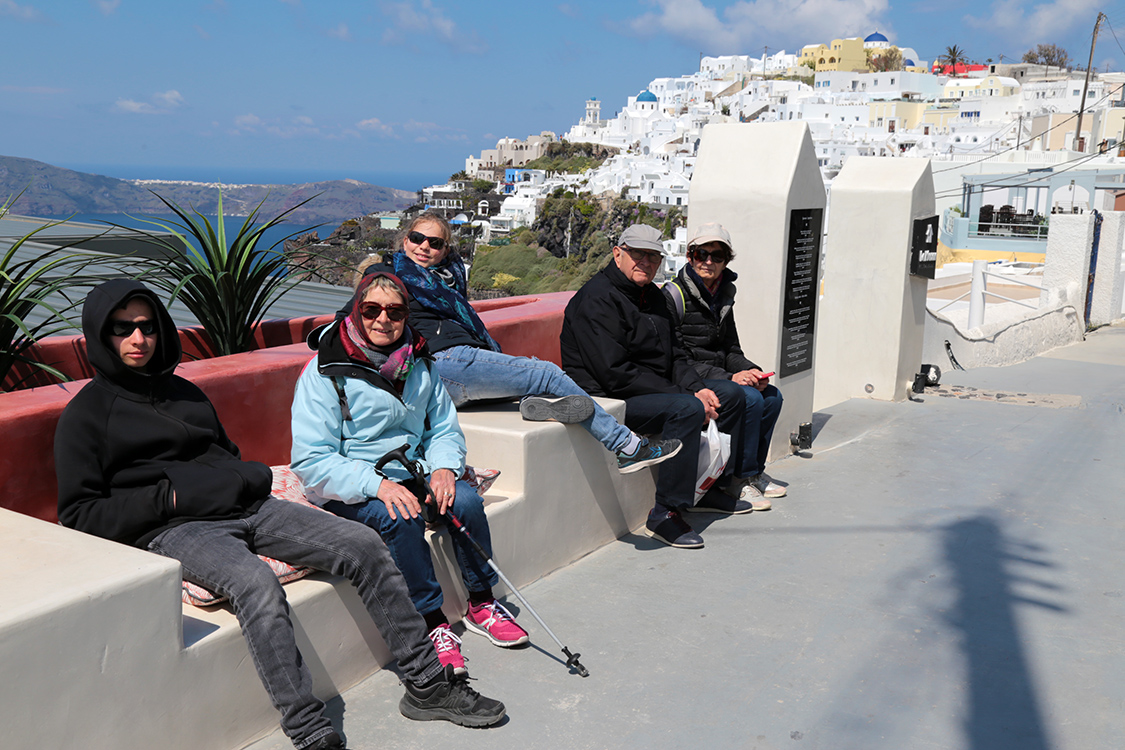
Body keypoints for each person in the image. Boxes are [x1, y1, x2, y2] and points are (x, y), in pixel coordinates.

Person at [54, 279, 505, 750]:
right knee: (256, 585)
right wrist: (170, 499)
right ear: (99, 336)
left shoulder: (185, 394)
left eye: (146, 327)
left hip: (249, 506)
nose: (137, 339)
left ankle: (428, 685)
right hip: (177, 528)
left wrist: (244, 478)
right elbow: (81, 512)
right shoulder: (86, 416)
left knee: (363, 545)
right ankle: (309, 729)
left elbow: (222, 456)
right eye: (121, 329)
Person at [291, 272, 527, 676]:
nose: (384, 319)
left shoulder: (420, 361)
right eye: (371, 309)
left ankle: (482, 601)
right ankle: (430, 622)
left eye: (395, 310)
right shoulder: (323, 372)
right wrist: (375, 485)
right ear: (355, 311)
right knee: (402, 516)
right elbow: (312, 459)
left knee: (465, 500)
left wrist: (443, 469)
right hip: (352, 481)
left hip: (411, 471)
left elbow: (443, 428)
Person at [351, 212, 680, 475]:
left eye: (435, 243)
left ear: (445, 250)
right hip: (441, 362)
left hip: (461, 365)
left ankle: (534, 404)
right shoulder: (386, 274)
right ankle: (628, 448)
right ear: (404, 239)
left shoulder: (445, 280)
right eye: (417, 238)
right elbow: (352, 317)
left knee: (534, 374)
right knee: (547, 373)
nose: (424, 247)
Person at [560, 224, 758, 551]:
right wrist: (687, 395)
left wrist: (697, 386)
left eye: (653, 256)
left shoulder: (653, 296)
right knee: (688, 408)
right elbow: (615, 374)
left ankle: (709, 490)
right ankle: (666, 511)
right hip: (610, 400)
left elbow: (676, 355)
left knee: (732, 396)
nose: (646, 262)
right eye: (638, 254)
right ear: (618, 253)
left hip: (652, 389)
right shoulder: (596, 300)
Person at [663, 222, 785, 501]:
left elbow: (730, 348)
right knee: (749, 398)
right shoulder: (673, 296)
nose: (708, 261)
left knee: (772, 396)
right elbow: (677, 357)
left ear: (726, 261)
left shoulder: (723, 296)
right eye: (701, 254)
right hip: (689, 376)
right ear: (690, 256)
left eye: (716, 256)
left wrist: (750, 370)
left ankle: (751, 472)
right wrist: (731, 378)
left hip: (715, 372)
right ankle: (732, 479)